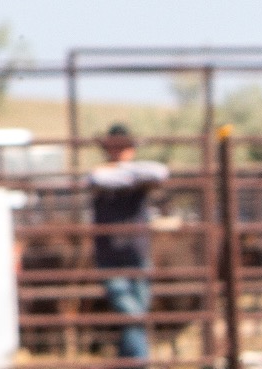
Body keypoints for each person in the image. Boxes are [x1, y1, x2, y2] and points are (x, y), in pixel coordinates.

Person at [88, 123, 167, 363]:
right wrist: (130, 176)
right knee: (133, 313)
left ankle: (130, 362)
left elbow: (160, 172)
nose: (121, 151)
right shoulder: (100, 176)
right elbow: (100, 177)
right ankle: (142, 361)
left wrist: (125, 173)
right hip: (111, 256)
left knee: (134, 314)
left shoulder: (134, 173)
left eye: (125, 146)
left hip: (136, 253)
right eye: (116, 147)